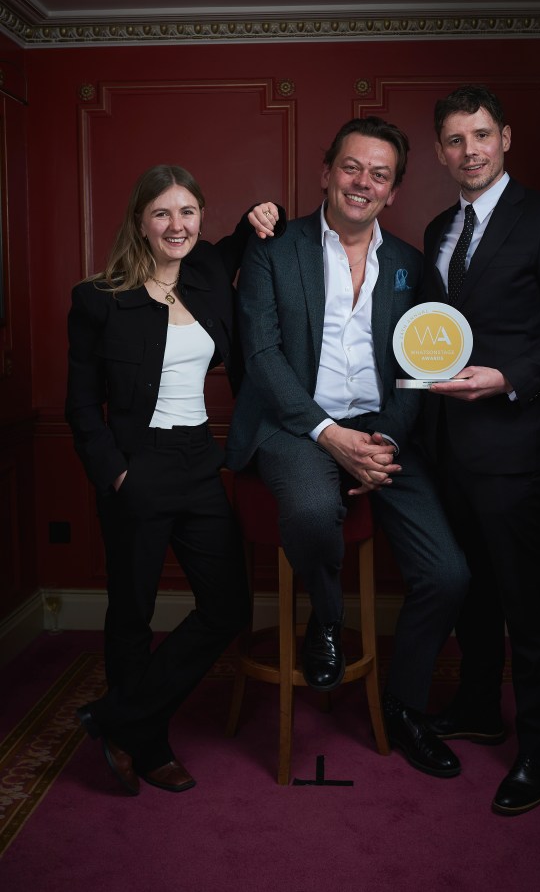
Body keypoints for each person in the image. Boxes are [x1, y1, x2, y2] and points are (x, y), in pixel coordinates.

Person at [226, 117, 470, 779]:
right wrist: (330, 438)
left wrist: (384, 440)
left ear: (393, 191)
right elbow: (263, 357)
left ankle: (404, 707)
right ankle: (325, 620)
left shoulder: (410, 267)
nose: (363, 183)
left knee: (448, 575)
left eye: (380, 174)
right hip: (293, 425)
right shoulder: (275, 251)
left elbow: (418, 365)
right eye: (353, 168)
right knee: (308, 513)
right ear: (328, 172)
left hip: (381, 429)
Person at [66, 164, 282, 795]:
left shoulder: (211, 270)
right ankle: (149, 745)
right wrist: (116, 474)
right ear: (140, 221)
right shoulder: (97, 298)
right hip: (137, 466)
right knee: (132, 611)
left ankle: (118, 720)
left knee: (227, 606)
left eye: (187, 212)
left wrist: (264, 212)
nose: (176, 225)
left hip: (198, 459)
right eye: (162, 213)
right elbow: (82, 405)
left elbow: (254, 229)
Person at [420, 85, 540, 814]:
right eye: (456, 139)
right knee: (471, 587)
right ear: (439, 151)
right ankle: (475, 706)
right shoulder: (437, 226)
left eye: (482, 135)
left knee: (524, 599)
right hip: (445, 446)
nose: (470, 150)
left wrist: (508, 378)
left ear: (507, 139)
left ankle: (537, 748)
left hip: (517, 443)